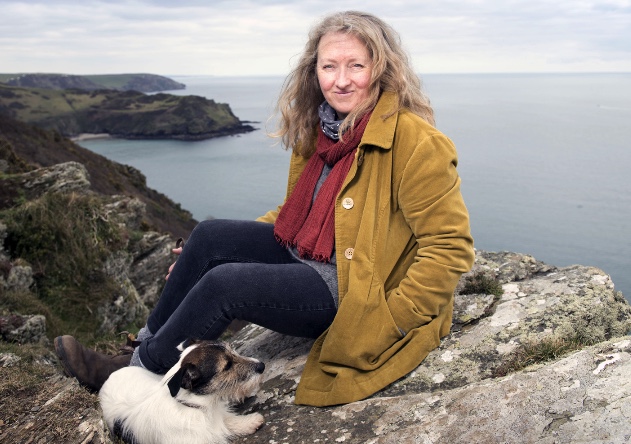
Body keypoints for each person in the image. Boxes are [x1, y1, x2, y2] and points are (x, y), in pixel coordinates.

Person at [55, 10, 474, 407]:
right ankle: (145, 346)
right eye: (329, 66)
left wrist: (391, 321)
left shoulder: (418, 143)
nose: (341, 80)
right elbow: (298, 212)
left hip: (351, 289)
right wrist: (209, 255)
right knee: (209, 237)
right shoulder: (321, 129)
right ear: (314, 71)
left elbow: (449, 247)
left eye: (356, 66)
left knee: (225, 285)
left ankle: (135, 373)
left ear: (381, 70)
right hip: (305, 258)